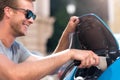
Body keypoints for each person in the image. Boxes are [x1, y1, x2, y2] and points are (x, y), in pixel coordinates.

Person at [0, 0, 100, 80]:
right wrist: (70, 53)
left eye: (33, 16)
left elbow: (52, 66)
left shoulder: (16, 48)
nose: (31, 20)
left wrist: (68, 33)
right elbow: (14, 75)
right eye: (28, 13)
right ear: (8, 11)